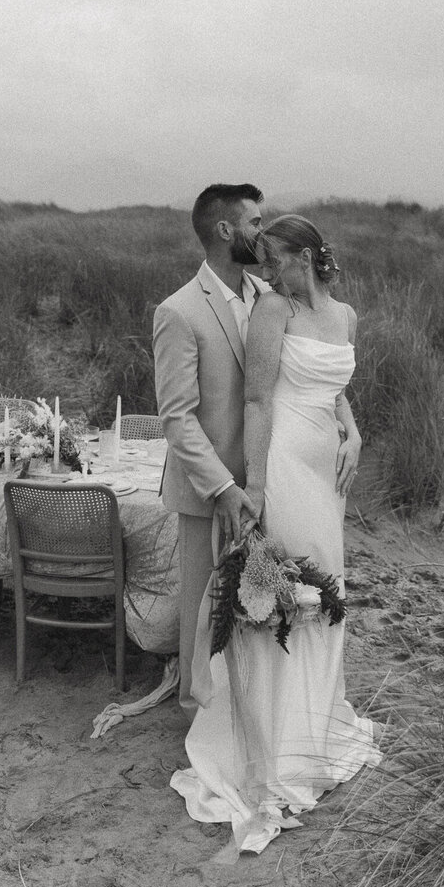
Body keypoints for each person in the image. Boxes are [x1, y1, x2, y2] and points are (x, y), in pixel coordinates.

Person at [171, 214, 381, 853]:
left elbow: (337, 387)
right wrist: (257, 487)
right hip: (285, 458)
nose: (266, 274)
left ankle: (313, 728)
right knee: (285, 590)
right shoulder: (272, 311)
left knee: (327, 590)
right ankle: (275, 748)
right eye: (260, 263)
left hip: (327, 467)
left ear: (310, 256)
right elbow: (259, 401)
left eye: (276, 260)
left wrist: (356, 431)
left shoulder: (345, 317)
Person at [153, 183, 268, 723]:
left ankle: (246, 710)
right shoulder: (178, 312)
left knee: (258, 600)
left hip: (265, 483)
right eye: (255, 222)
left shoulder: (270, 298)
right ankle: (199, 719)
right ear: (226, 230)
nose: (261, 233)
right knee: (204, 607)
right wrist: (223, 487)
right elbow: (176, 416)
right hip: (208, 490)